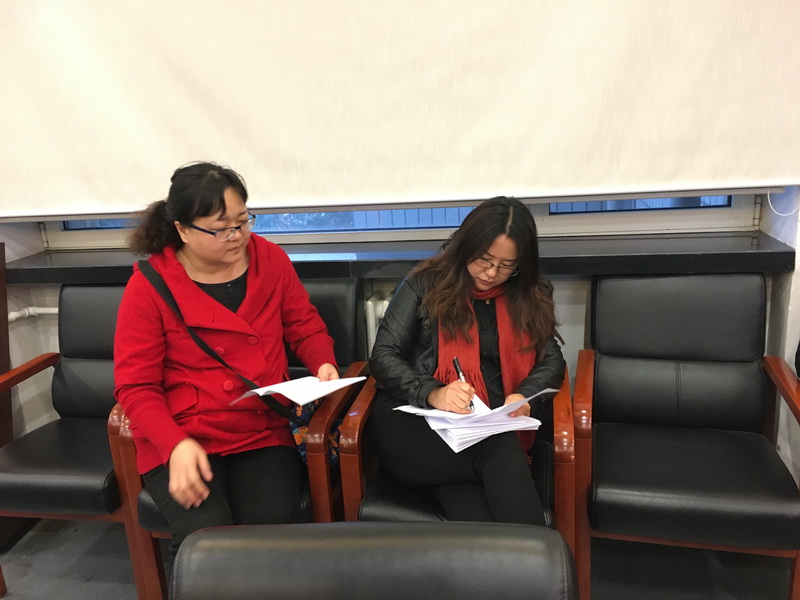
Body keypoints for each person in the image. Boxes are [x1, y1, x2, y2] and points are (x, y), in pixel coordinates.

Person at [113, 162, 338, 558]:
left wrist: (323, 363)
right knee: (207, 540)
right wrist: (173, 445)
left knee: (270, 530)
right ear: (183, 230)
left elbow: (305, 327)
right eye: (220, 229)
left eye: (243, 221)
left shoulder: (270, 260)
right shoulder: (150, 286)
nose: (237, 236)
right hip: (182, 434)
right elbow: (136, 386)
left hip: (260, 425)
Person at [368, 196, 565, 525]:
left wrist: (524, 395)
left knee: (478, 511)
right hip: (417, 425)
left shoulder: (530, 292)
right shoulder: (424, 285)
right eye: (484, 259)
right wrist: (434, 392)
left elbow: (553, 361)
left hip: (484, 428)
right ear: (465, 246)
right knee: (500, 448)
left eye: (507, 265)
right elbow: (383, 356)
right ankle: (545, 555)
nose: (492, 273)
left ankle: (518, 558)